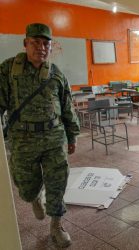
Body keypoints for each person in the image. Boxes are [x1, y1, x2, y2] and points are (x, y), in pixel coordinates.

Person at [0, 23, 80, 247]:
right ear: (25, 43)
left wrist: (72, 136)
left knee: (58, 182)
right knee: (25, 188)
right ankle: (35, 197)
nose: (41, 47)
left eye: (46, 43)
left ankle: (56, 225)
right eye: (35, 42)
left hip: (54, 138)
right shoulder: (8, 70)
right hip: (23, 141)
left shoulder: (56, 74)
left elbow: (67, 108)